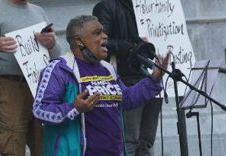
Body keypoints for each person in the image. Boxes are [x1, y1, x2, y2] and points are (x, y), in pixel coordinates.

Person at [32, 15, 170, 156]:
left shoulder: (107, 69)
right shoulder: (60, 69)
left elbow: (126, 99)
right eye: (97, 33)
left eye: (103, 32)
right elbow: (40, 110)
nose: (105, 36)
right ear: (79, 41)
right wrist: (75, 108)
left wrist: (154, 79)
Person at [0, 0, 61, 155]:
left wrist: (52, 43)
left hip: (40, 86)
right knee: (11, 144)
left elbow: (56, 54)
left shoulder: (39, 11)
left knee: (45, 145)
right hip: (11, 87)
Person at [93, 1, 163, 155]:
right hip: (127, 80)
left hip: (153, 77)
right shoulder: (106, 6)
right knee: (130, 140)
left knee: (147, 140)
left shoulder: (152, 5)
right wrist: (132, 47)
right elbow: (100, 43)